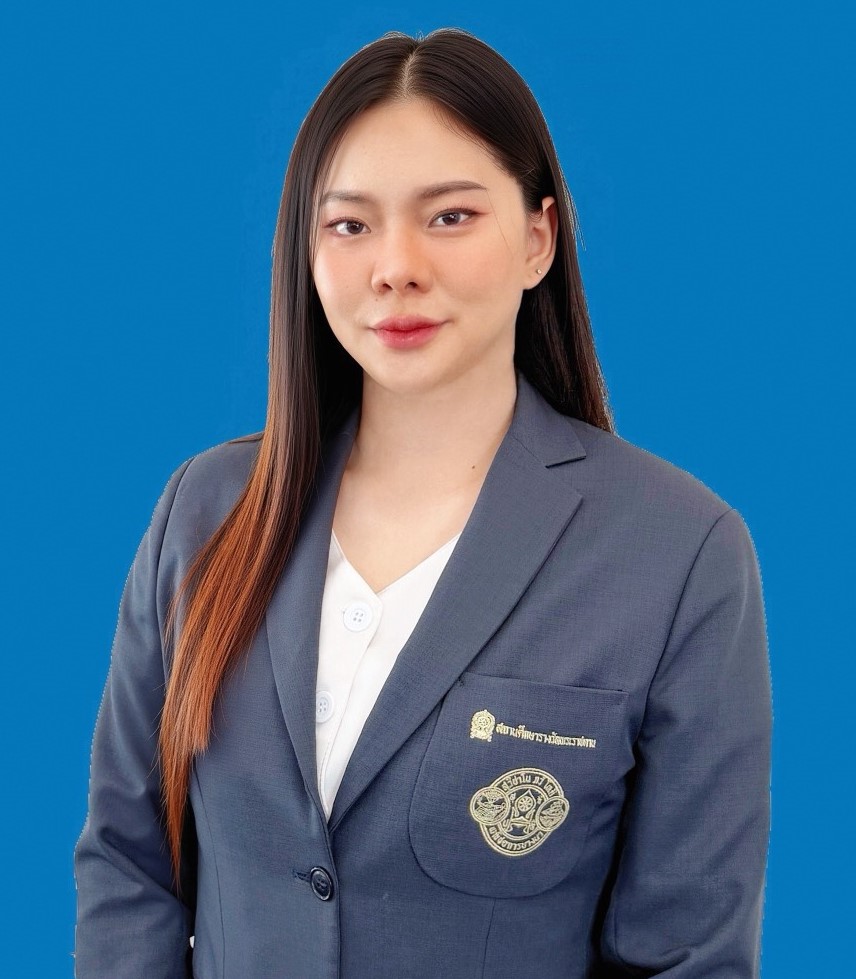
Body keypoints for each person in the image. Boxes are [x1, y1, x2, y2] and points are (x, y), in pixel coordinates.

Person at [74, 27, 772, 979]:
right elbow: (128, 863)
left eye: (449, 216)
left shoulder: (678, 553)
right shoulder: (203, 512)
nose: (395, 266)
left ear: (538, 239)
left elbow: (687, 955)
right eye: (350, 225)